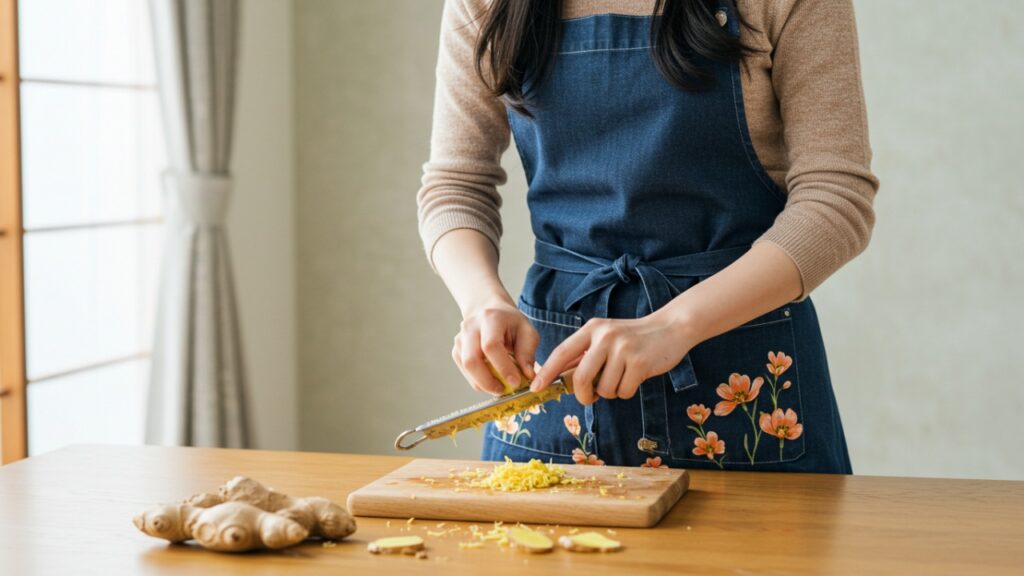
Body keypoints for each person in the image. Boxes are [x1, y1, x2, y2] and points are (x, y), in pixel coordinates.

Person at [416, 0, 878, 472]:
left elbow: (835, 199)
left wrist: (674, 325)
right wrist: (481, 302)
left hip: (745, 375)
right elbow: (457, 186)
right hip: (559, 377)